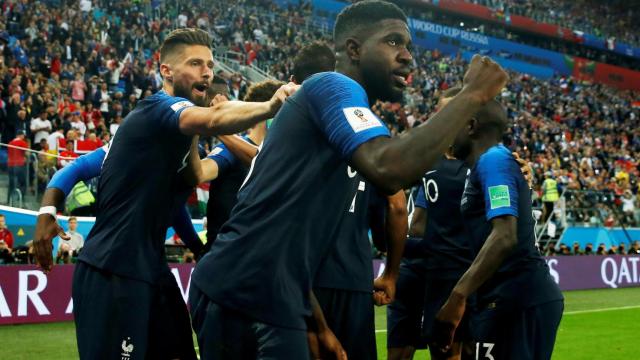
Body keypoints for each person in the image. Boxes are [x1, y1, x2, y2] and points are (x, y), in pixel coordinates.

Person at [189, 1, 508, 358]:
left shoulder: (352, 123)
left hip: (280, 291)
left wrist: (318, 324)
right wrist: (471, 96)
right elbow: (389, 173)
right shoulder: (330, 86)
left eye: (409, 47)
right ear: (354, 50)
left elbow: (289, 235)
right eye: (393, 42)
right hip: (242, 290)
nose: (407, 57)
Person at [33, 28, 297, 360]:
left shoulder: (179, 139)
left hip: (152, 270)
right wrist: (46, 213)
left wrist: (198, 247)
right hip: (112, 269)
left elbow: (174, 204)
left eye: (210, 65)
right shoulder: (158, 110)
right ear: (166, 70)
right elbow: (70, 170)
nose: (207, 72)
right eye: (195, 63)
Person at [433, 99, 563, 360]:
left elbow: (505, 236)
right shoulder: (484, 166)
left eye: (452, 123)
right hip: (510, 296)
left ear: (470, 126)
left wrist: (457, 297)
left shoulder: (493, 160)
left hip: (517, 296)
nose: (446, 131)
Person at [7, 130, 29, 203]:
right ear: (21, 135)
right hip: (19, 165)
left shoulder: (10, 143)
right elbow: (27, 153)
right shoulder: (22, 143)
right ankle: (21, 201)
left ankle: (9, 200)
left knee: (11, 184)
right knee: (22, 183)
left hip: (10, 165)